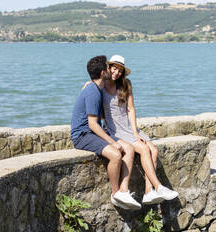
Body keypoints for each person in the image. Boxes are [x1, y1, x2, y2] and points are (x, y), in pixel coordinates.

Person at [102, 55, 178, 204]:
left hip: (129, 127)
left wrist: (135, 132)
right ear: (109, 67)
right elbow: (90, 94)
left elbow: (130, 109)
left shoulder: (126, 84)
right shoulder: (101, 86)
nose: (116, 72)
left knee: (153, 150)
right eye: (114, 68)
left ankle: (148, 192)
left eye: (120, 70)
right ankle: (158, 186)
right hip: (115, 129)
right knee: (144, 148)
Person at [71, 55, 141, 210]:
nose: (111, 70)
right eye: (108, 67)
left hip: (90, 133)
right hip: (82, 135)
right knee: (116, 154)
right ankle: (116, 194)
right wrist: (113, 141)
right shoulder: (93, 92)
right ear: (103, 72)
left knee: (126, 149)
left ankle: (123, 191)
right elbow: (93, 124)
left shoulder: (96, 88)